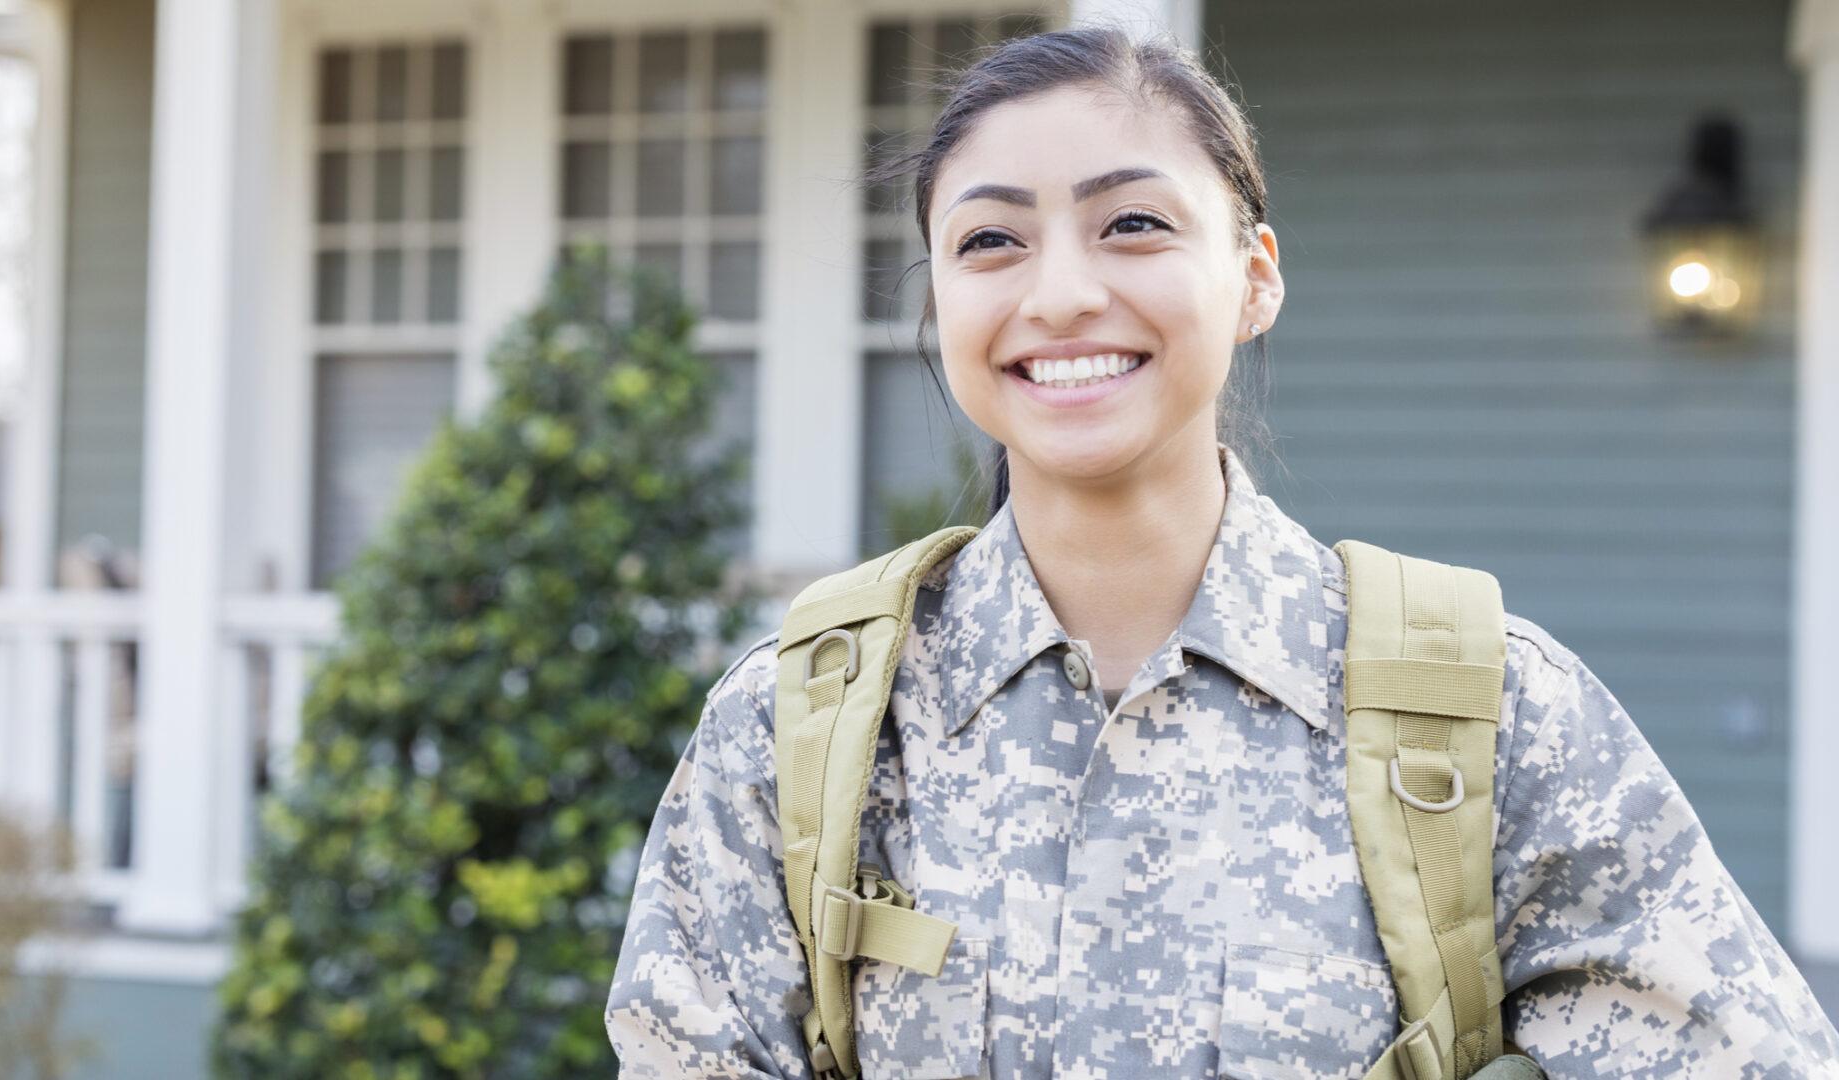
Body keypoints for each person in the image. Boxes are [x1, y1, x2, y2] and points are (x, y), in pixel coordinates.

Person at [603, 25, 1839, 1079]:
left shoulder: (1485, 717)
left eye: (1132, 223)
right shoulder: (802, 728)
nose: (1062, 294)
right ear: (939, 298)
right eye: (990, 242)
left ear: (1255, 278)